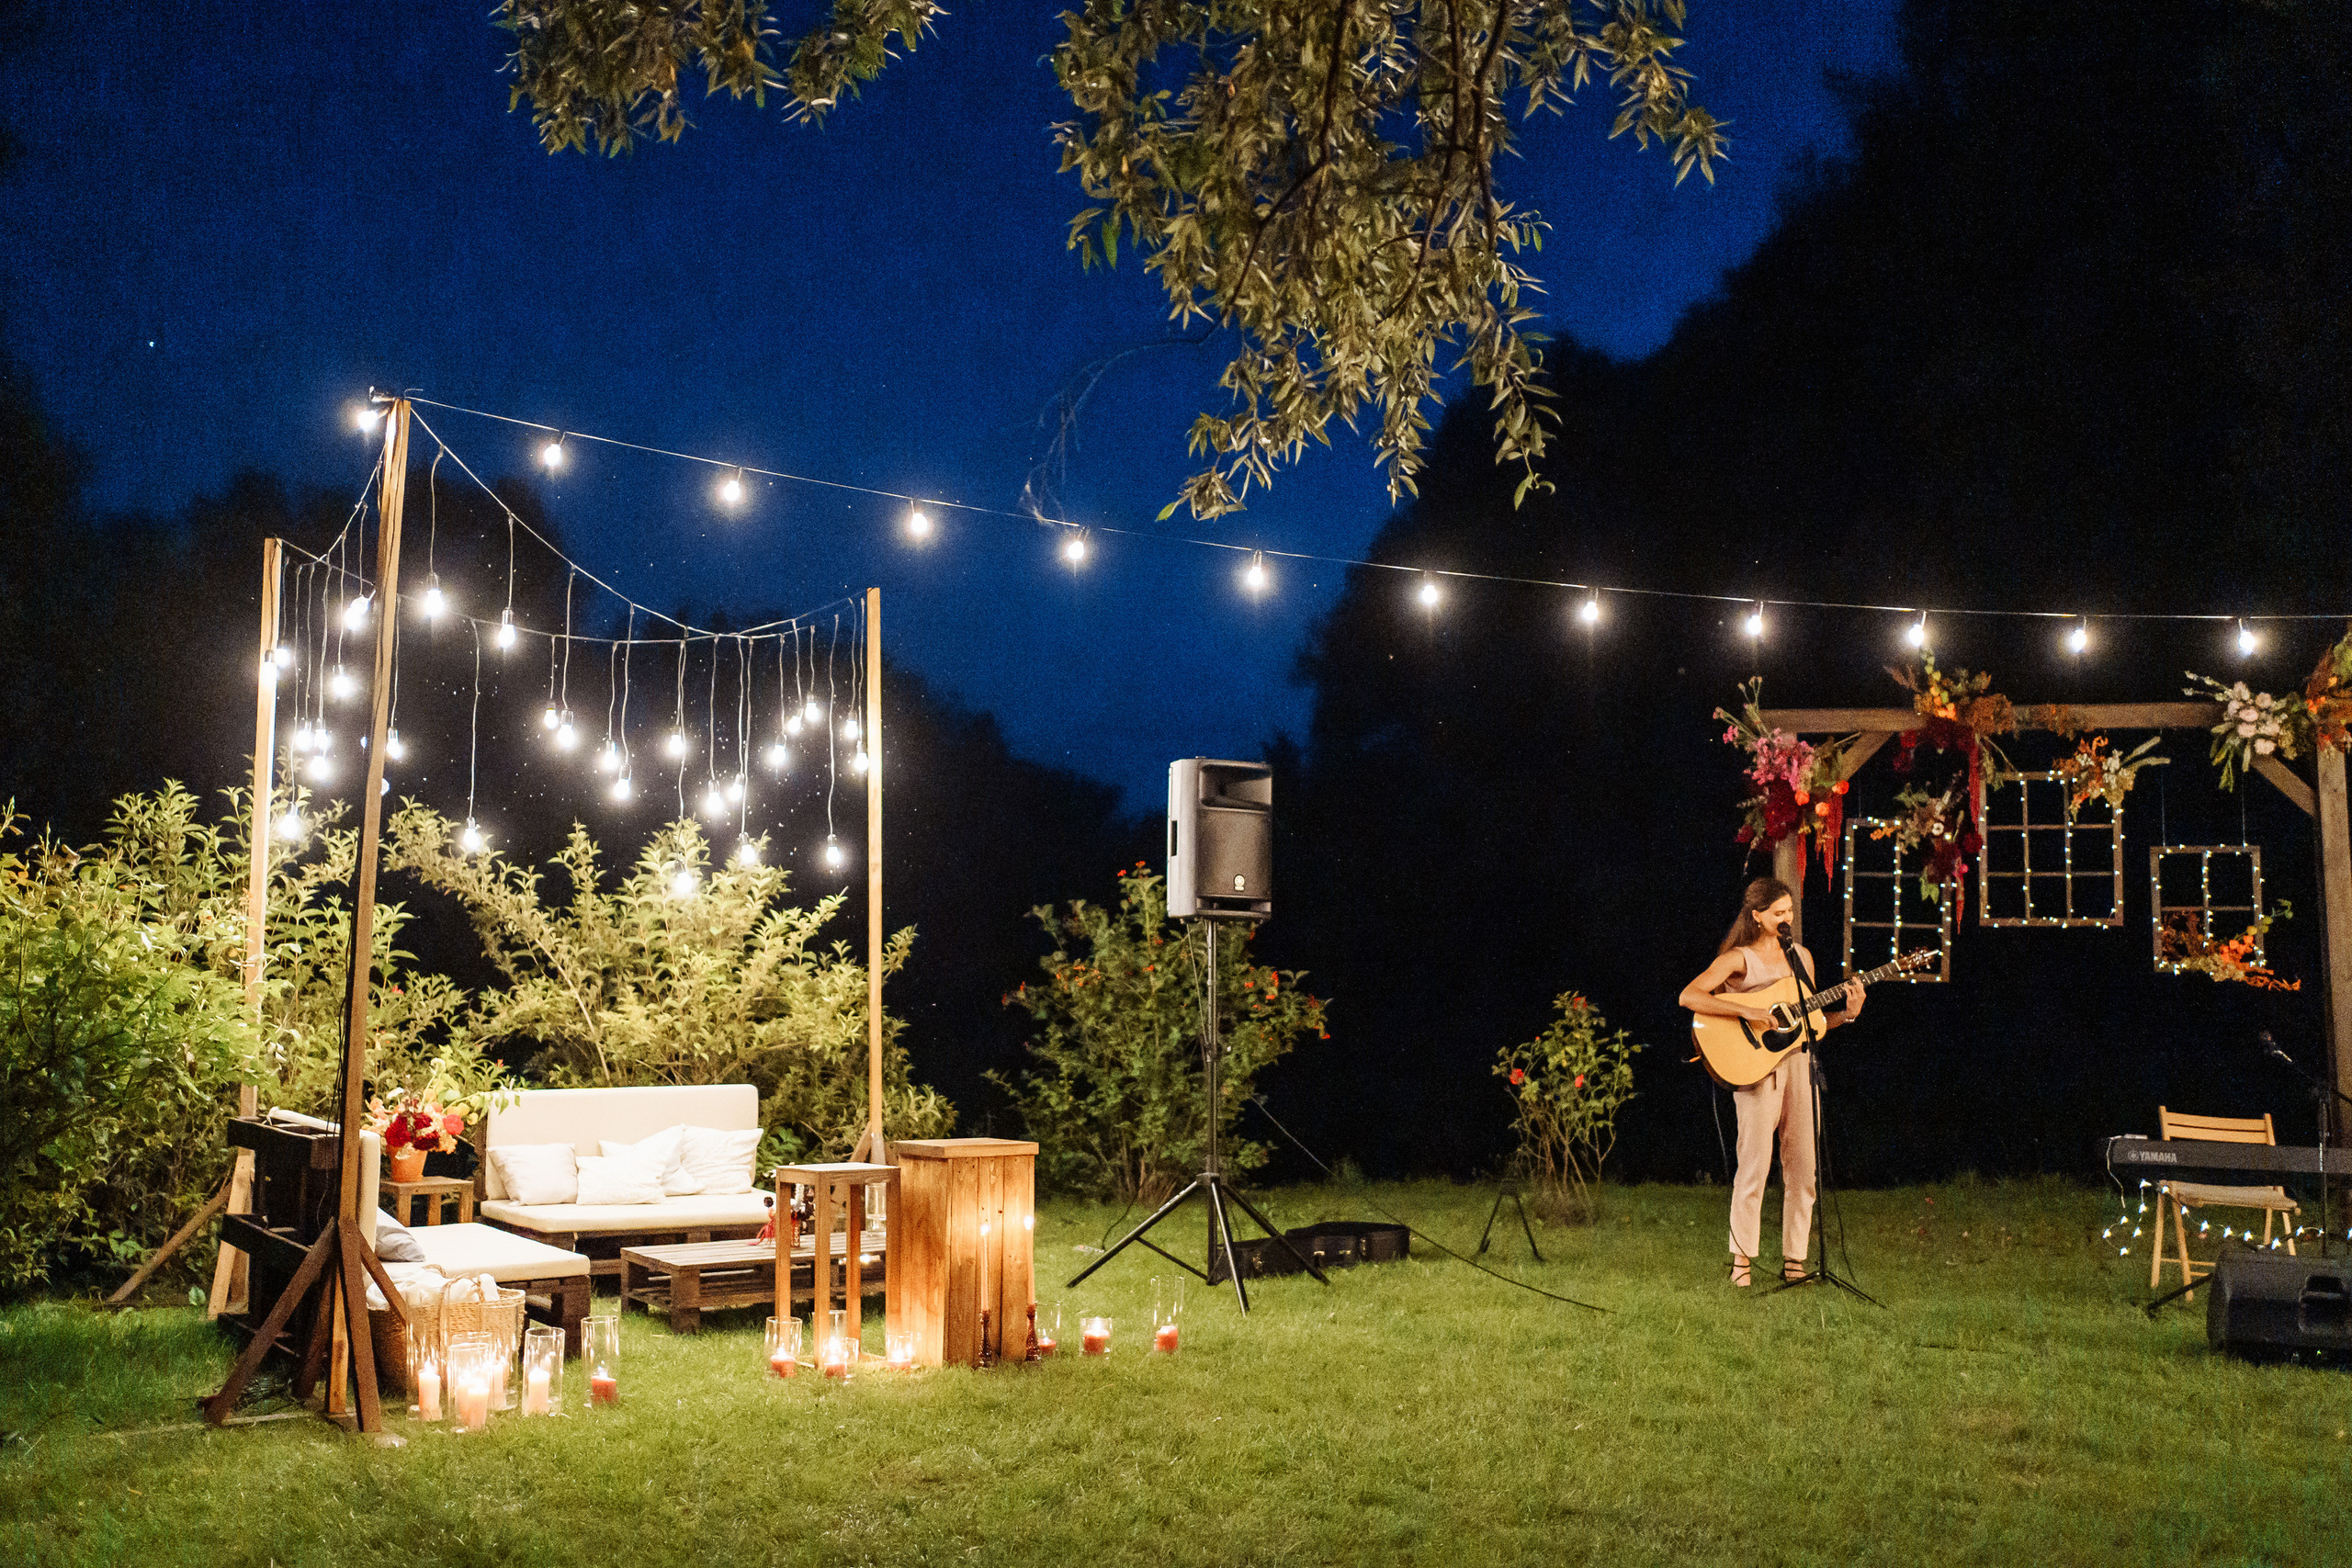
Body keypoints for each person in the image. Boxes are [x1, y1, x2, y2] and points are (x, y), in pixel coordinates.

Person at [1678, 876, 1864, 1288]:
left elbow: (1810, 1025)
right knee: (1755, 1167)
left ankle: (1795, 1260)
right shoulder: (1740, 958)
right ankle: (1741, 1262)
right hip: (1758, 1071)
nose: (1787, 920)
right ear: (1757, 915)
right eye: (1778, 913)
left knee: (1804, 1170)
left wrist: (1846, 1015)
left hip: (1800, 1066)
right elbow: (1690, 996)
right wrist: (1747, 1013)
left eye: (1790, 913)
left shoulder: (1803, 959)